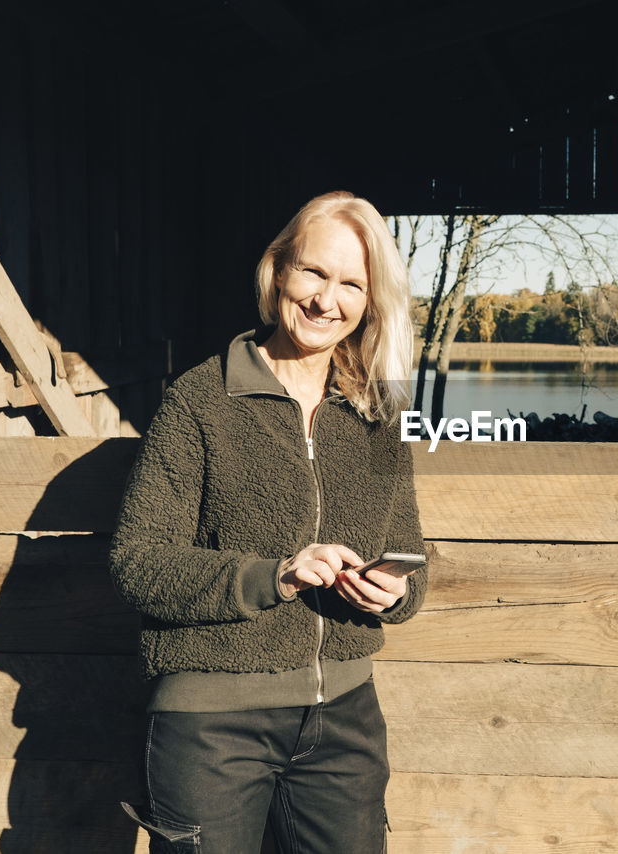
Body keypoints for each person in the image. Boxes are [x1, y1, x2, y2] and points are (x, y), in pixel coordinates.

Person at [109, 191, 425, 853]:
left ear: (370, 301)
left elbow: (407, 551)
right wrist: (271, 577)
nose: (324, 300)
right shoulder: (201, 400)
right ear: (277, 269)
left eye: (350, 284)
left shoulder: (377, 416)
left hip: (344, 725)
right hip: (212, 732)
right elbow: (137, 562)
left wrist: (397, 593)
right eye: (313, 272)